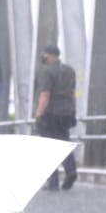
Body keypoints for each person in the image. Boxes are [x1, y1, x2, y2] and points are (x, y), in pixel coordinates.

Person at [34, 43, 78, 191]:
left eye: (45, 54)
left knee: (49, 147)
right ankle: (71, 171)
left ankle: (53, 181)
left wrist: (39, 115)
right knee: (64, 143)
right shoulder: (70, 71)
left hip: (51, 114)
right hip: (66, 113)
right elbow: (72, 94)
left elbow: (45, 95)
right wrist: (73, 111)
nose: (43, 57)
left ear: (51, 55)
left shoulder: (46, 71)